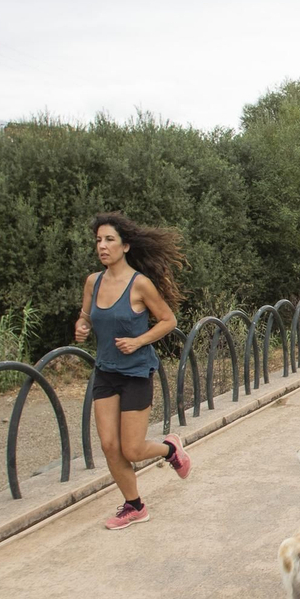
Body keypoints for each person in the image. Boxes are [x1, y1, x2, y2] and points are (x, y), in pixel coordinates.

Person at [74, 213, 192, 529]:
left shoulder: (140, 284)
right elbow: (86, 315)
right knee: (110, 446)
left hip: (136, 372)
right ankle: (134, 505)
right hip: (105, 372)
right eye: (98, 240)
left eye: (109, 239)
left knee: (133, 448)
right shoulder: (92, 282)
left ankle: (170, 449)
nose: (102, 246)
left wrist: (138, 340)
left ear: (125, 246)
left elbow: (169, 321)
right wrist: (82, 326)